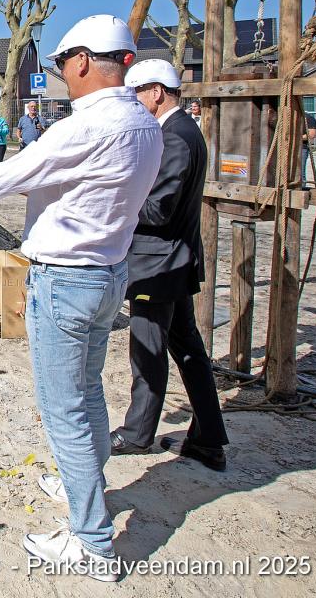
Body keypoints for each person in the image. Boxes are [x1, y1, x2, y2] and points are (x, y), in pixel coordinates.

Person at [0, 15, 162, 581]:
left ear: (82, 61)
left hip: (66, 279)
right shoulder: (144, 124)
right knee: (88, 392)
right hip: (108, 272)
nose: (62, 75)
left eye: (62, 64)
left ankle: (93, 542)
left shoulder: (83, 127)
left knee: (63, 409)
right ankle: (85, 483)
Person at [110, 59, 228, 471]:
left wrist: (115, 199)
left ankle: (137, 434)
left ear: (157, 92)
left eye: (137, 94)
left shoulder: (174, 136)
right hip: (173, 261)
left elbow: (159, 209)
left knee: (147, 350)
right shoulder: (182, 130)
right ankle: (209, 439)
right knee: (188, 350)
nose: (134, 103)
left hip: (159, 265)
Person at [303, 111, 316, 187]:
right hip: (284, 148)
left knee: (300, 173)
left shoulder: (308, 118)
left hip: (302, 149)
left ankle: (301, 189)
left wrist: (294, 137)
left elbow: (311, 134)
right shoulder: (285, 118)